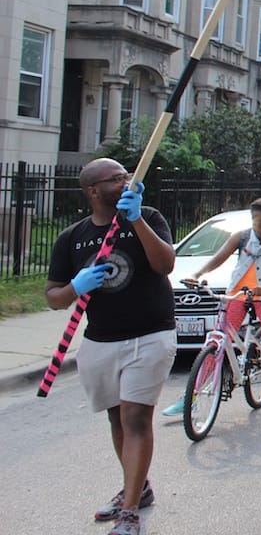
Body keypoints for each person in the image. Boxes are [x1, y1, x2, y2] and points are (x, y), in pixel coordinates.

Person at [45, 159, 177, 535]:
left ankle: (130, 510)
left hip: (151, 334)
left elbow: (165, 264)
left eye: (126, 175)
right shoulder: (72, 238)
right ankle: (140, 487)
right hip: (101, 340)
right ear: (93, 191)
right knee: (117, 418)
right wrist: (76, 287)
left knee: (136, 418)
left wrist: (136, 220)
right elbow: (53, 297)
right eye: (117, 178)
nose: (127, 181)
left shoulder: (147, 216)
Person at [166, 197, 261, 415]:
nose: (259, 225)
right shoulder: (242, 236)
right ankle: (190, 396)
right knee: (217, 341)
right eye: (255, 220)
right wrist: (198, 274)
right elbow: (219, 257)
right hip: (237, 294)